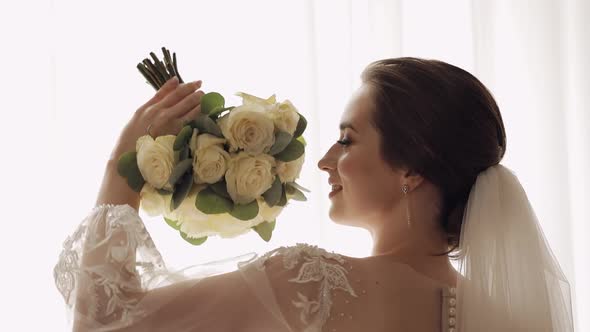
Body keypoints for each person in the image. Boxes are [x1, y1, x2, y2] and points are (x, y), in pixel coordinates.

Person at [54, 58, 574, 331]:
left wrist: (122, 168)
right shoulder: (502, 317)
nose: (325, 160)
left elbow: (104, 323)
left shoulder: (310, 286)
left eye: (347, 140)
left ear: (411, 168)